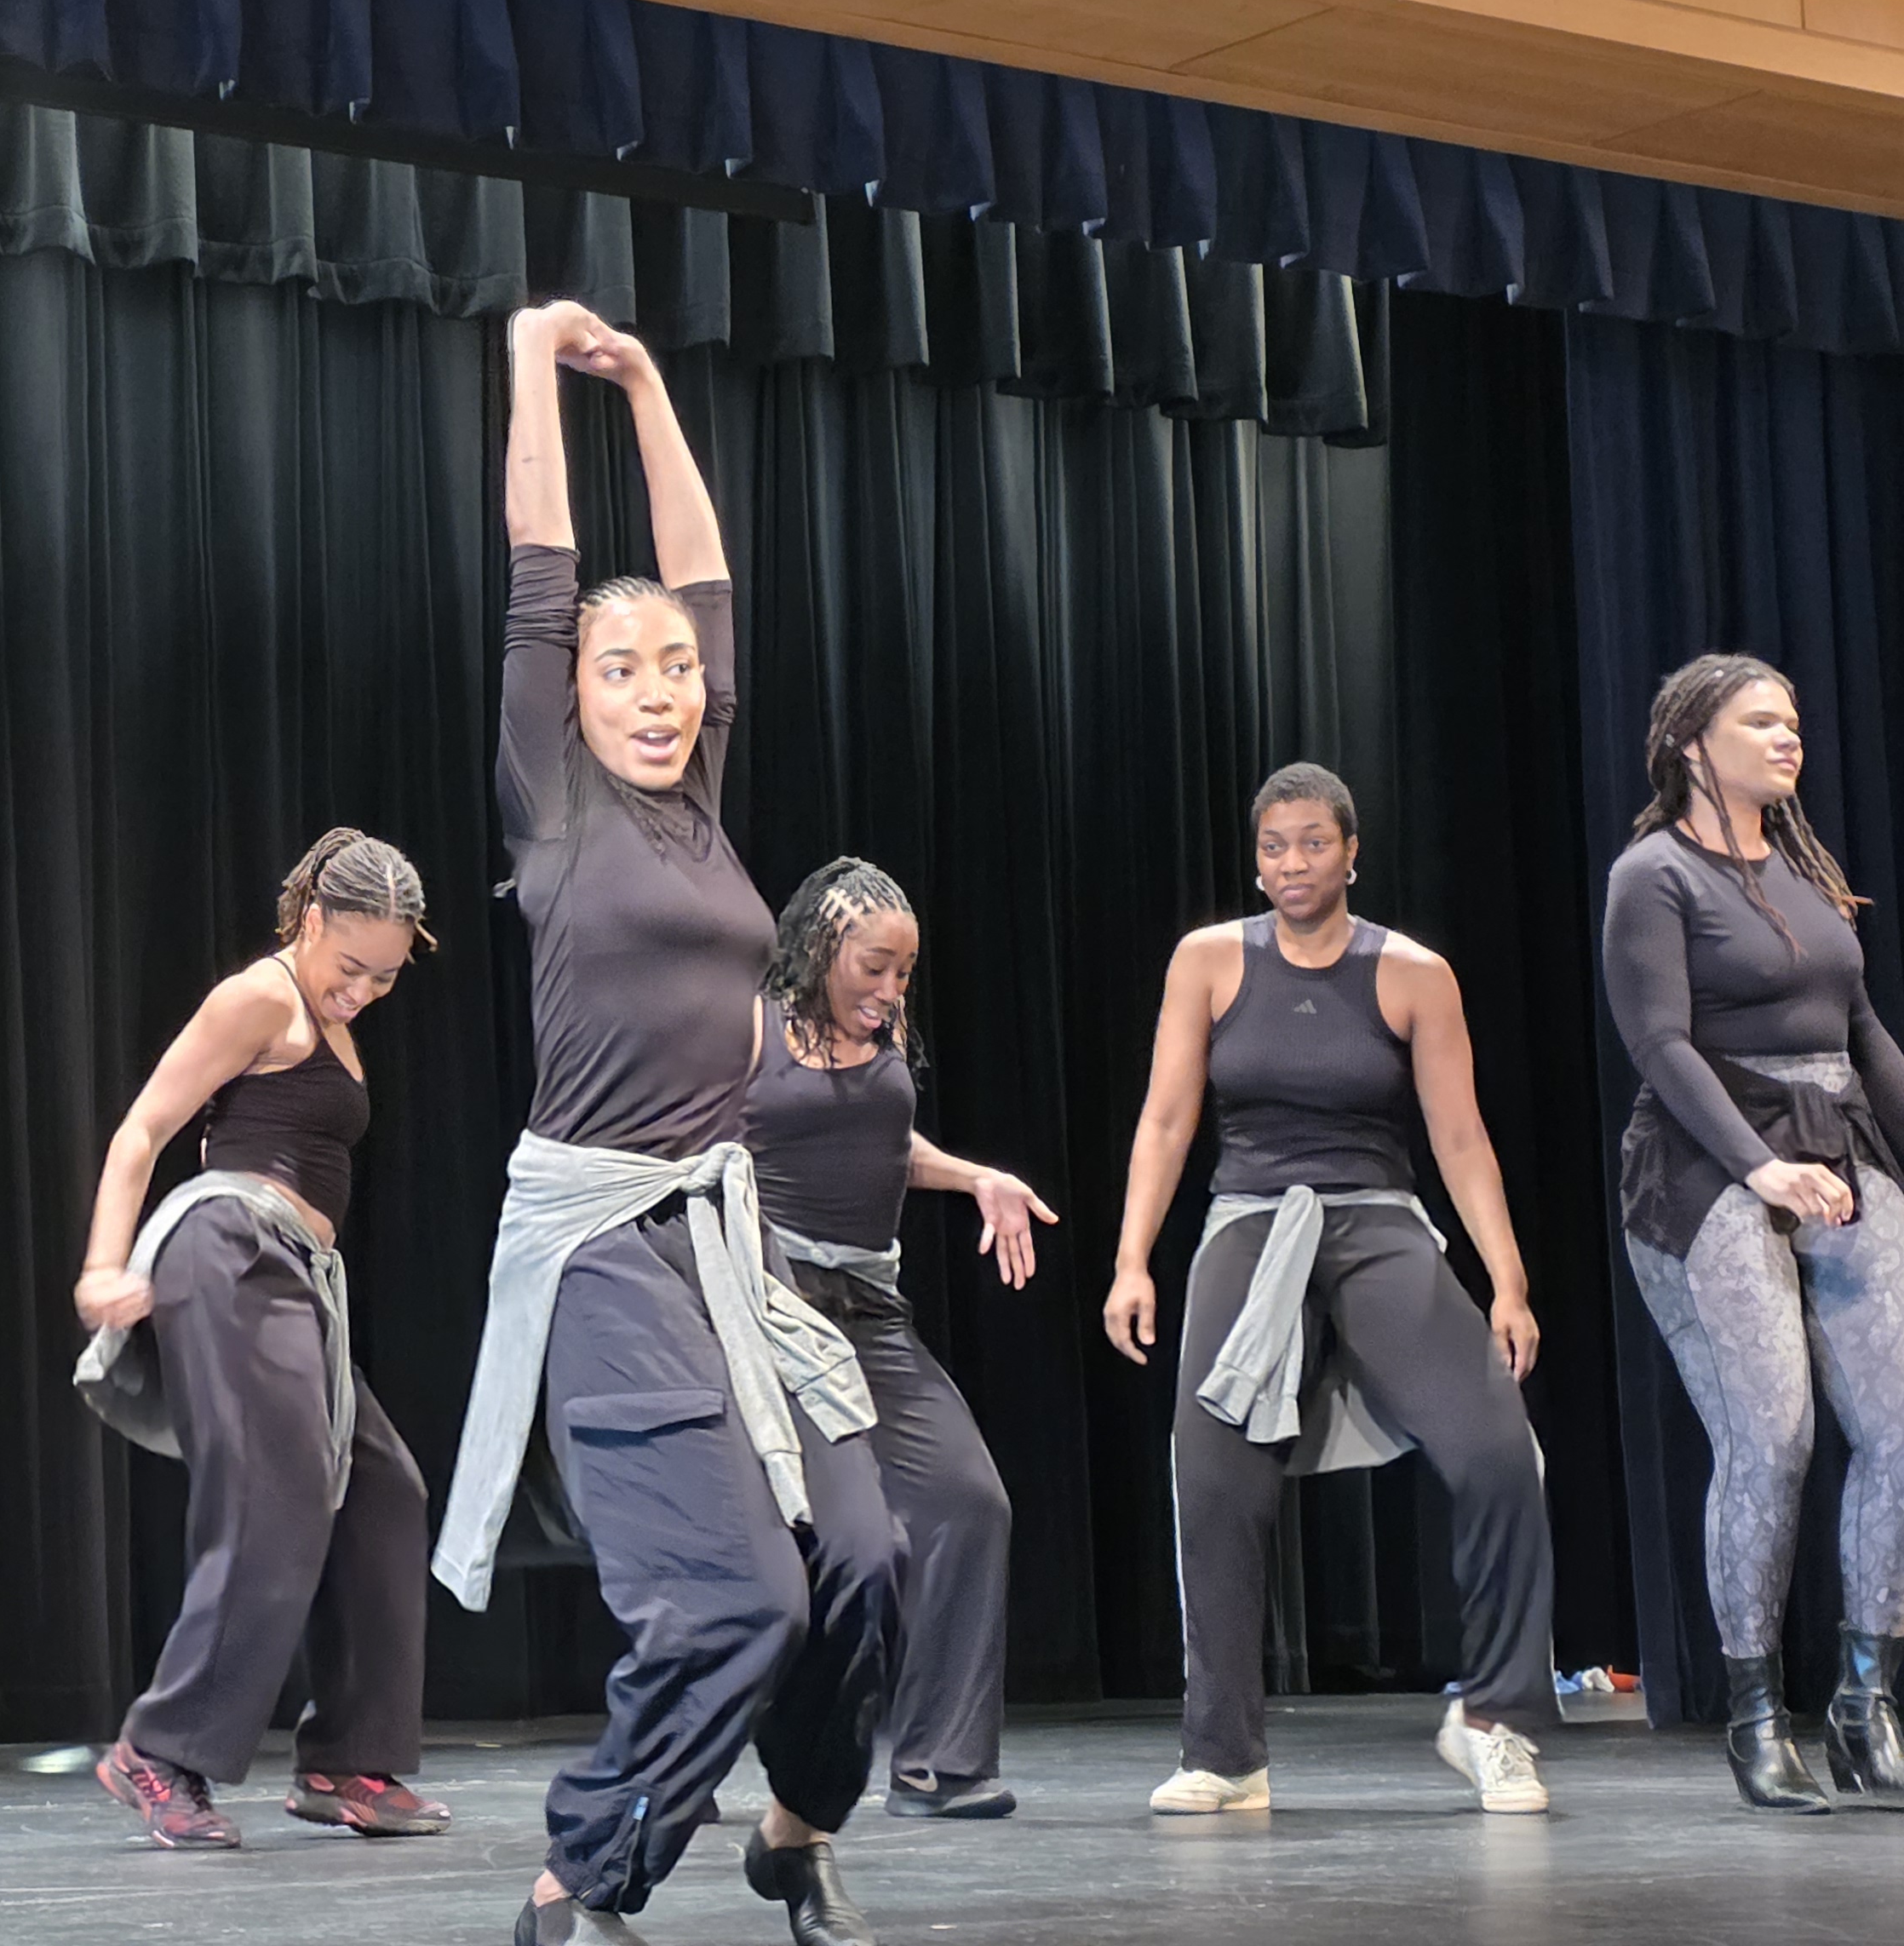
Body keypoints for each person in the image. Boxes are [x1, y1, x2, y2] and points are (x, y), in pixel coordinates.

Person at [434, 302, 902, 1946]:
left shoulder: (701, 808)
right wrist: (528, 369)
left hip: (731, 1243)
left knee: (861, 1563)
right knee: (732, 1601)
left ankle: (795, 1840)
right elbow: (542, 567)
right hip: (598, 1249)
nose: (655, 685)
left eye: (676, 670)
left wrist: (646, 388)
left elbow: (703, 575)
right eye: (618, 669)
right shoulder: (553, 802)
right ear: (566, 696)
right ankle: (579, 1880)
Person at [1104, 764, 1557, 1817]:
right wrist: (1132, 1260)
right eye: (1272, 846)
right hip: (1250, 1219)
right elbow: (1166, 1121)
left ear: (1352, 852)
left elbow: (1458, 1136)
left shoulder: (1412, 974)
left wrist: (1509, 1281)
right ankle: (1224, 1752)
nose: (1291, 864)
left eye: (1312, 843)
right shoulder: (1208, 961)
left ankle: (1493, 1718)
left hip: (1375, 1217)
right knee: (1213, 1482)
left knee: (1498, 1453)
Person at [73, 830, 448, 1849]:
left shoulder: (328, 1008)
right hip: (229, 1248)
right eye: (352, 966)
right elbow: (141, 1132)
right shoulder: (258, 996)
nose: (364, 991)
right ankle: (164, 1749)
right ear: (313, 920)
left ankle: (346, 1760)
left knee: (382, 1493)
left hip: (292, 1275)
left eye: (385, 975)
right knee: (274, 1500)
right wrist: (104, 1266)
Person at [1604, 655, 1904, 1812]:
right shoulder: (1654, 874)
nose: (1789, 739)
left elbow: (1861, 1028)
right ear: (1692, 743)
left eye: (1794, 721)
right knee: (1772, 1433)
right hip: (1706, 1163)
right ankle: (1752, 1714)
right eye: (1761, 722)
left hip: (1838, 1145)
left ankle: (1865, 1702)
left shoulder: (1802, 867)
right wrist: (1763, 1167)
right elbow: (1663, 1046)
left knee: (1894, 1426)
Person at [746, 858, 1052, 1819]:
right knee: (815, 1537)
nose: (890, 991)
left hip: (872, 1313)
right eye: (874, 967)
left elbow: (883, 1144)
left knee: (968, 1500)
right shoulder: (747, 1029)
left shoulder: (879, 1035)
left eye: (905, 973)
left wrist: (977, 1179)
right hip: (775, 1308)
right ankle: (710, 1743)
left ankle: (937, 1764)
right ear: (820, 948)